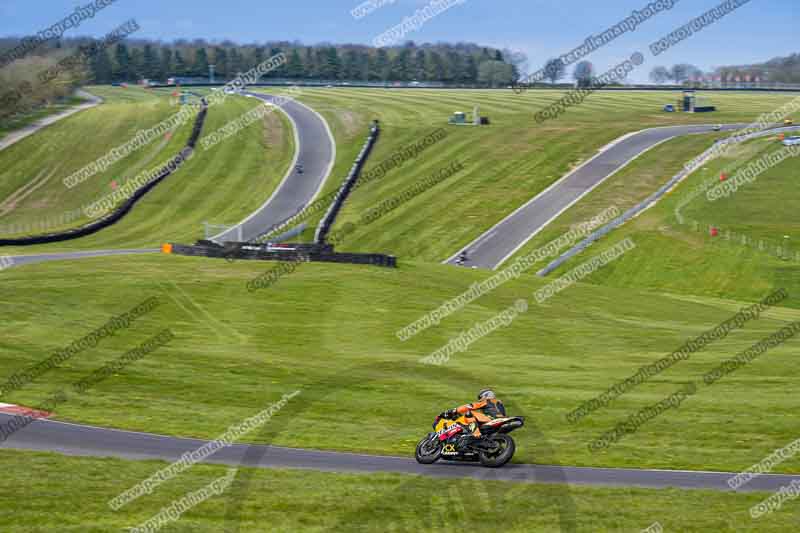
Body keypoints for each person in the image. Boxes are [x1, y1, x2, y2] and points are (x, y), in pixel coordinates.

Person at [441, 389, 506, 444]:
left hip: (491, 419)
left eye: (480, 397)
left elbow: (469, 406)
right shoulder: (499, 402)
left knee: (469, 413)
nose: (479, 399)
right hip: (501, 420)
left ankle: (476, 433)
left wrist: (455, 410)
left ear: (485, 395)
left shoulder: (486, 401)